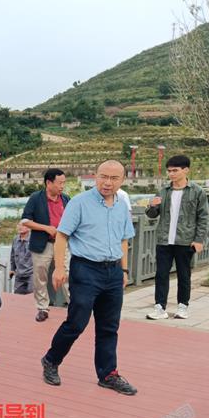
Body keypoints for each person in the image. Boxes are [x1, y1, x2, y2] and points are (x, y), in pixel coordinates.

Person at [41, 160, 137, 395]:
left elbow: (124, 240)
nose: (107, 182)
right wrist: (59, 268)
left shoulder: (122, 205)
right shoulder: (80, 202)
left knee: (109, 326)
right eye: (103, 176)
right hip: (86, 270)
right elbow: (62, 235)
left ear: (122, 180)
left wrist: (124, 271)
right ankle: (51, 360)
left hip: (113, 271)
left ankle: (108, 374)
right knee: (76, 322)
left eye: (114, 178)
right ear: (95, 176)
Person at [145, 155, 209, 320]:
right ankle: (160, 308)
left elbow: (203, 218)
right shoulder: (163, 191)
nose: (171, 174)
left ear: (186, 170)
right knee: (161, 275)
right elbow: (152, 215)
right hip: (164, 240)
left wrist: (199, 239)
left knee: (184, 275)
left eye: (175, 170)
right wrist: (152, 206)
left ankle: (183, 307)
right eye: (169, 171)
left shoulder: (197, 191)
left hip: (185, 241)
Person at [21, 168, 71, 322]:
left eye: (64, 183)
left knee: (67, 274)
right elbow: (25, 220)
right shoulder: (36, 198)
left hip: (62, 244)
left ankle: (74, 306)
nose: (62, 186)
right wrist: (46, 228)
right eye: (59, 183)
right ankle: (42, 308)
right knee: (40, 276)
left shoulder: (66, 199)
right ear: (49, 183)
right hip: (42, 244)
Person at [9, 223, 34, 294]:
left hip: (31, 273)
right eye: (19, 225)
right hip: (19, 274)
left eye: (23, 225)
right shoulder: (15, 239)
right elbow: (12, 255)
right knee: (17, 295)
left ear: (29, 228)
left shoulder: (33, 239)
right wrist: (12, 269)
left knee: (31, 295)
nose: (20, 227)